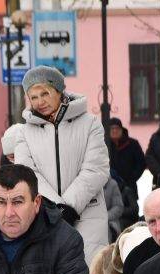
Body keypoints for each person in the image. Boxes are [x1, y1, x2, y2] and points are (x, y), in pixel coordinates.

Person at [14, 65, 110, 263]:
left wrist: (70, 206)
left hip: (88, 214)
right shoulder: (24, 132)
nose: (40, 102)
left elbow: (96, 168)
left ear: (59, 92)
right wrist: (55, 208)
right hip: (45, 216)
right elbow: (26, 173)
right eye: (33, 97)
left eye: (45, 93)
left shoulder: (90, 123)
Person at [107, 117, 146, 200]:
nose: (114, 131)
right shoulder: (104, 145)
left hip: (129, 187)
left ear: (121, 130)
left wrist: (132, 178)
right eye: (112, 128)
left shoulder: (133, 144)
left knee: (131, 211)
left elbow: (142, 163)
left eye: (117, 128)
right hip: (110, 188)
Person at [103, 172, 125, 243]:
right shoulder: (84, 184)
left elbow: (118, 207)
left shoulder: (112, 184)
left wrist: (104, 217)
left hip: (109, 222)